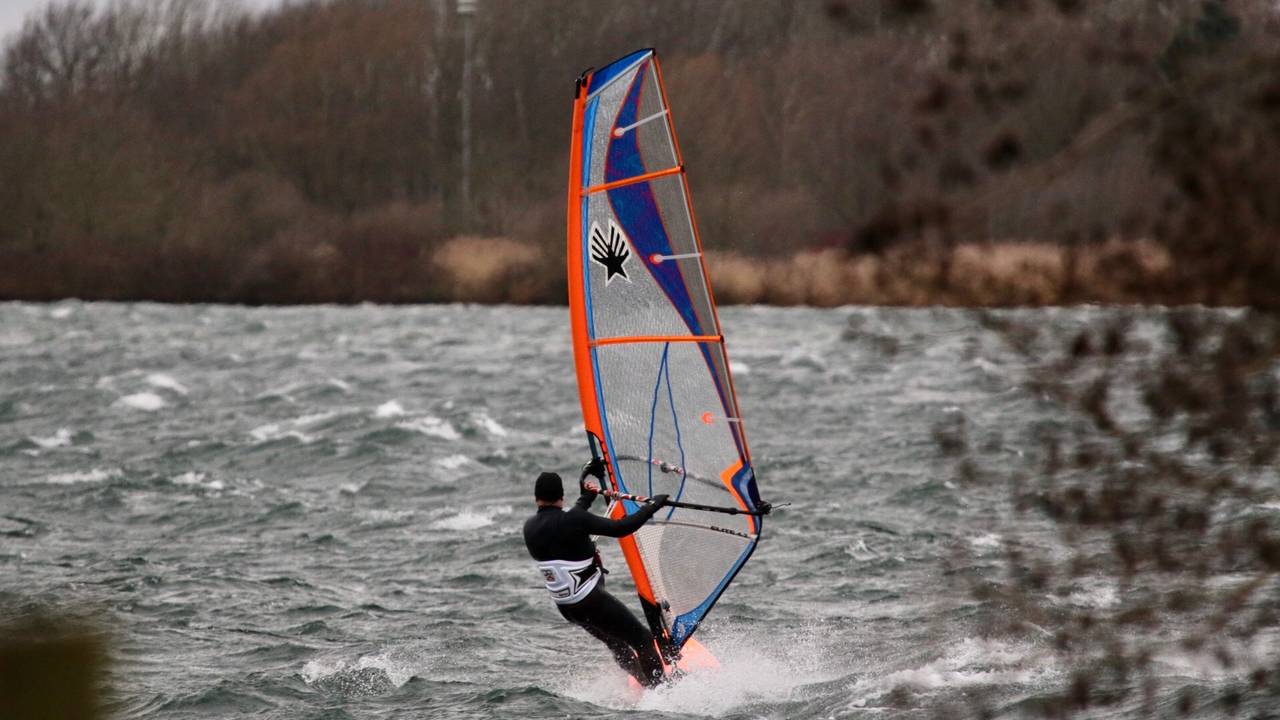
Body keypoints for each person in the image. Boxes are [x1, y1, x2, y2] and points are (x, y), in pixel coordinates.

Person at [523, 457, 670, 687]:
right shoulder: (573, 520)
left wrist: (586, 497)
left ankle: (644, 682)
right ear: (562, 496)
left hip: (568, 608)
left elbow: (568, 522)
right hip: (590, 600)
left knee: (616, 643)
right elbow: (622, 528)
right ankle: (662, 691)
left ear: (536, 498)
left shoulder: (530, 527)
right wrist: (653, 506)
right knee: (642, 640)